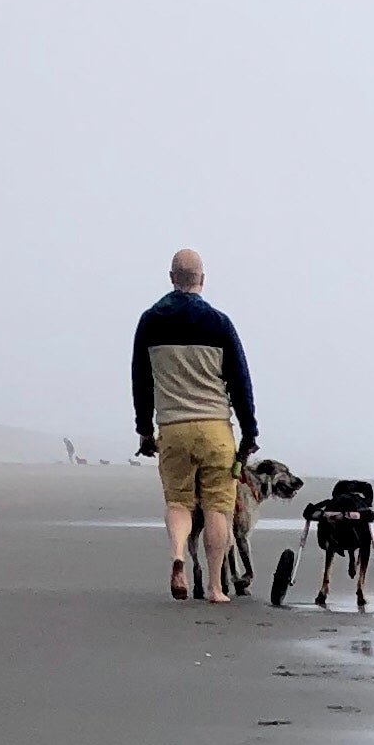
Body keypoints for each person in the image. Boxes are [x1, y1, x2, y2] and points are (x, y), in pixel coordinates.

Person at [132, 249, 258, 603]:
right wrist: (250, 433)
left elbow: (141, 379)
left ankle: (178, 559)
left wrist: (144, 429)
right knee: (218, 507)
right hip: (216, 428)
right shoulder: (219, 323)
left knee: (179, 503)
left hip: (173, 428)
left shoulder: (150, 321)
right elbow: (240, 382)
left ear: (171, 278)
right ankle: (217, 587)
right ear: (202, 278)